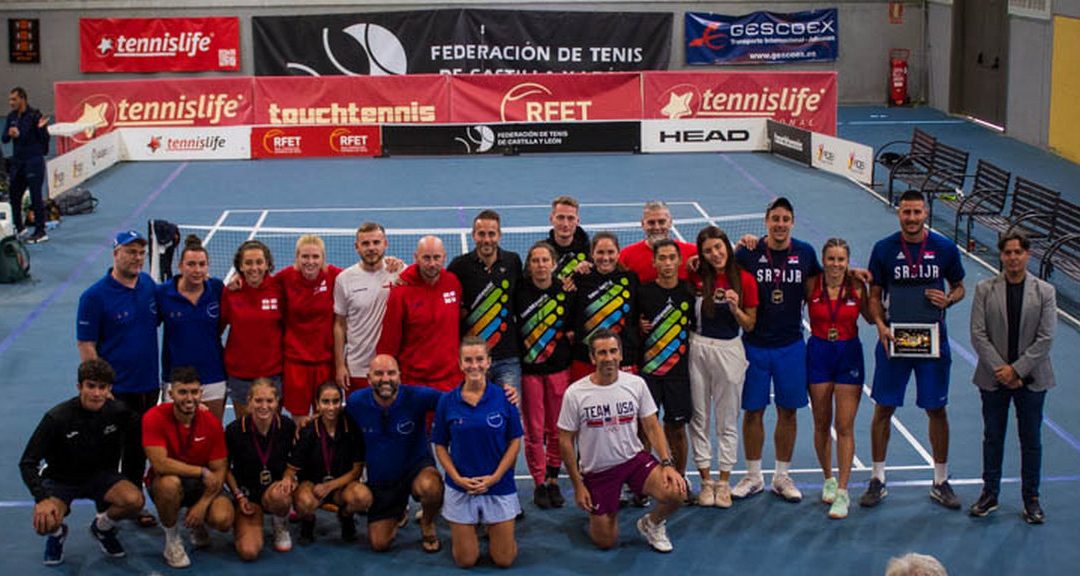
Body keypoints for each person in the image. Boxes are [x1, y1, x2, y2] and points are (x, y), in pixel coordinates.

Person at [863, 190, 966, 510]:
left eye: (917, 212)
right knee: (884, 408)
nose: (911, 217)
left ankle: (941, 480)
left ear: (926, 213)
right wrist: (879, 324)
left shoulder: (945, 248)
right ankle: (877, 478)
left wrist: (949, 299)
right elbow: (874, 294)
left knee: (936, 409)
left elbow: (960, 286)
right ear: (899, 213)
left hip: (931, 340)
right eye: (906, 212)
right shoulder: (883, 249)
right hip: (894, 340)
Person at [558, 329, 686, 553]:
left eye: (613, 351)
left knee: (677, 491)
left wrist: (667, 464)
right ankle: (605, 507)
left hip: (633, 461)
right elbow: (565, 441)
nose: (608, 357)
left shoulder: (636, 384)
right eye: (602, 352)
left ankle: (651, 524)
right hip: (599, 471)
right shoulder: (575, 393)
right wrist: (578, 485)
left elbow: (652, 425)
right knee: (606, 542)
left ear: (620, 354)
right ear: (592, 357)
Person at [733, 197, 822, 503]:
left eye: (785, 219)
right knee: (753, 411)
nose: (780, 224)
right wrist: (736, 246)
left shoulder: (806, 253)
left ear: (792, 222)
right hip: (754, 345)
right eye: (775, 219)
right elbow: (722, 269)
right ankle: (753, 475)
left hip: (791, 345)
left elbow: (819, 289)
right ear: (766, 221)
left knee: (788, 411)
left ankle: (782, 476)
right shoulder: (748, 252)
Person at [19, 358, 144, 565]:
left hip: (101, 477)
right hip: (61, 480)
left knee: (134, 501)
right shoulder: (57, 418)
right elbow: (27, 462)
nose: (96, 393)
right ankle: (57, 533)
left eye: (102, 387)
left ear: (109, 389)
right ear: (79, 387)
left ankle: (102, 528)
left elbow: (150, 426)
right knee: (45, 522)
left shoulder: (118, 412)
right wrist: (41, 498)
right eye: (90, 386)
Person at [969, 232, 1056, 524]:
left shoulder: (1044, 292)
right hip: (994, 379)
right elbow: (978, 335)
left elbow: (1045, 338)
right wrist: (1003, 371)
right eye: (1008, 252)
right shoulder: (984, 289)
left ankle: (1031, 498)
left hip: (1032, 381)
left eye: (1018, 252)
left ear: (1028, 255)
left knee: (1030, 440)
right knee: (993, 437)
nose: (1013, 257)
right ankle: (989, 493)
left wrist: (1017, 371)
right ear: (1002, 256)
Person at [77, 229, 159, 527]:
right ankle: (105, 508)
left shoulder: (148, 286)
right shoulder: (94, 297)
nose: (137, 257)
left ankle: (134, 503)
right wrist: (101, 388)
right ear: (116, 254)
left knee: (138, 449)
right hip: (116, 391)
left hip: (148, 386)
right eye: (130, 252)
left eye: (141, 252)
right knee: (109, 451)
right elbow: (86, 345)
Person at [433, 337, 524, 568]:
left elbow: (515, 441)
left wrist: (495, 477)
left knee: (504, 560)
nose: (474, 365)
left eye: (480, 359)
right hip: (461, 487)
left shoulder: (505, 397)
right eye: (468, 360)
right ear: (460, 364)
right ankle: (473, 528)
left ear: (489, 362)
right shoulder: (446, 401)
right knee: (466, 560)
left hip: (498, 485)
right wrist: (455, 478)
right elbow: (440, 445)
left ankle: (498, 531)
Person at [345, 354, 445, 553]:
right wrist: (310, 423)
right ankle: (397, 512)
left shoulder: (418, 396)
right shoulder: (356, 402)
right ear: (368, 378)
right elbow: (333, 420)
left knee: (431, 487)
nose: (385, 379)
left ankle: (427, 522)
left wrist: (499, 395)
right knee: (379, 544)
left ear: (399, 376)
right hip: (383, 481)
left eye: (391, 373)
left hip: (415, 469)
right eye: (379, 373)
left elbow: (455, 400)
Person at [687, 227, 757, 508]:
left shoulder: (745, 280)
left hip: (729, 350)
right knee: (699, 419)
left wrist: (736, 308)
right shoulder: (694, 274)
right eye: (707, 251)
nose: (715, 254)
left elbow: (750, 324)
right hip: (697, 348)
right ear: (701, 254)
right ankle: (706, 482)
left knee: (727, 421)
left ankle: (724, 482)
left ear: (727, 247)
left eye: (718, 248)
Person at [143, 366, 234, 569]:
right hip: (169, 479)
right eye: (182, 392)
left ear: (201, 393)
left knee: (224, 519)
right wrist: (200, 471)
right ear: (170, 393)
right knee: (169, 485)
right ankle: (172, 538)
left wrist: (203, 504)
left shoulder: (210, 422)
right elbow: (160, 463)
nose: (189, 398)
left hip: (201, 485)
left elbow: (219, 468)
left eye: (194, 392)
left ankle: (197, 521)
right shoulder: (153, 417)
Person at [805, 238, 870, 519]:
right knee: (821, 422)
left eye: (841, 259)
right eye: (831, 259)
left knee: (844, 425)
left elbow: (872, 315)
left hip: (848, 355)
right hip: (818, 352)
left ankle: (843, 491)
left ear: (847, 261)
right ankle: (829, 479)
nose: (835, 264)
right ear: (823, 260)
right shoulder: (811, 285)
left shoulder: (857, 286)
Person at [515, 241, 575, 509]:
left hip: (559, 370)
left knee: (556, 429)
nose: (540, 265)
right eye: (535, 260)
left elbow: (573, 328)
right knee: (534, 431)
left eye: (545, 260)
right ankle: (538, 481)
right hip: (529, 373)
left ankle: (553, 478)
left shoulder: (566, 291)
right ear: (530, 265)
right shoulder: (519, 291)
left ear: (553, 263)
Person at [636, 239, 696, 501]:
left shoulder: (689, 293)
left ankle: (679, 479)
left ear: (679, 261)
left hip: (678, 374)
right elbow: (632, 329)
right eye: (663, 258)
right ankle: (644, 483)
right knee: (645, 430)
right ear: (654, 262)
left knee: (676, 429)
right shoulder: (643, 292)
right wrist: (639, 326)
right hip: (649, 373)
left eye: (672, 257)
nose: (668, 263)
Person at [448, 210, 523, 393]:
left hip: (507, 358)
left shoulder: (513, 261)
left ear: (499, 235)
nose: (487, 239)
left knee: (511, 411)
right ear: (474, 235)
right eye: (481, 234)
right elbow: (439, 286)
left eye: (492, 233)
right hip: (474, 360)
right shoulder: (459, 266)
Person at [285, 381, 369, 545]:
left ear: (341, 402)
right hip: (313, 486)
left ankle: (346, 516)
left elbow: (357, 471)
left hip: (341, 486)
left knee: (363, 497)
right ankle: (308, 521)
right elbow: (291, 469)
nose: (331, 407)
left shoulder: (351, 428)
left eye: (335, 401)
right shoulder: (307, 430)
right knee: (303, 501)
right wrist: (288, 482)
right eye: (325, 402)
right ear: (317, 404)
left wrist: (329, 486)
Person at [378, 235, 463, 391]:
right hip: (413, 383)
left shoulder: (453, 283)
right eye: (426, 258)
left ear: (444, 257)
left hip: (451, 380)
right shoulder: (400, 292)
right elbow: (389, 342)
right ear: (416, 257)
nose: (432, 264)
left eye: (437, 257)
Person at [224, 379, 298, 559]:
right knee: (248, 552)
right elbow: (224, 468)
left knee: (280, 495)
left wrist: (289, 477)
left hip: (274, 491)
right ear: (249, 402)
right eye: (258, 401)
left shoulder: (287, 426)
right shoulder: (234, 430)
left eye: (269, 401)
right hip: (248, 496)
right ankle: (244, 525)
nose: (264, 406)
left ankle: (280, 522)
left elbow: (295, 460)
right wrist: (238, 495)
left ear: (277, 402)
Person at [157, 235, 227, 420]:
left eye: (202, 264)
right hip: (175, 377)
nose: (197, 270)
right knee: (176, 434)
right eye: (191, 264)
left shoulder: (217, 288)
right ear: (179, 266)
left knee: (211, 431)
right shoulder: (163, 293)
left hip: (213, 375)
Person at [277, 235, 342, 426]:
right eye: (305, 256)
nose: (310, 262)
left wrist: (394, 267)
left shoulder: (335, 276)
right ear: (297, 257)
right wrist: (239, 278)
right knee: (300, 420)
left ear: (323, 258)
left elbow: (363, 275)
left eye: (315, 257)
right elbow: (260, 284)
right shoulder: (285, 277)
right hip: (295, 363)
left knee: (327, 418)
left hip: (326, 361)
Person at [334, 222, 400, 392]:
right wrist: (340, 365)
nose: (371, 248)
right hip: (357, 368)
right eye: (365, 244)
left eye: (376, 243)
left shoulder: (400, 272)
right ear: (357, 247)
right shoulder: (344, 279)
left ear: (385, 244)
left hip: (391, 368)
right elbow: (339, 325)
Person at [221, 240, 283, 419]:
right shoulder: (231, 292)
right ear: (240, 265)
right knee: (245, 431)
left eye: (259, 262)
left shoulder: (279, 289)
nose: (254, 268)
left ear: (267, 264)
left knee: (272, 430)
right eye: (248, 263)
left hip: (273, 374)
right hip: (240, 375)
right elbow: (219, 326)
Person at [569, 232, 640, 382]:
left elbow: (637, 312)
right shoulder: (580, 278)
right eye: (600, 252)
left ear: (618, 253)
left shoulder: (630, 279)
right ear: (592, 254)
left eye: (610, 252)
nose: (606, 258)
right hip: (585, 358)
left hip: (623, 358)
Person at [3, 86, 50, 243]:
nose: (11, 102)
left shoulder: (35, 116)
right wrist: (9, 133)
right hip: (18, 164)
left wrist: (42, 130)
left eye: (14, 99)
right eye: (10, 99)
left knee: (36, 197)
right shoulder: (11, 117)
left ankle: (40, 231)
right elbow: (4, 139)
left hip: (34, 162)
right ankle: (20, 228)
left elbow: (44, 141)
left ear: (23, 99)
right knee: (14, 196)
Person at [619, 200, 697, 283]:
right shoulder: (626, 255)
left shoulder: (693, 252)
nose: (657, 227)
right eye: (651, 223)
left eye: (661, 222)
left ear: (670, 223)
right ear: (643, 224)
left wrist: (700, 258)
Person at [547, 195, 591, 281]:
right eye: (560, 217)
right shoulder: (541, 251)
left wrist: (591, 268)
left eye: (571, 218)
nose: (565, 224)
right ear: (551, 219)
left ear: (577, 221)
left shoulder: (592, 251)